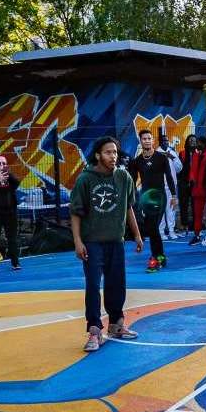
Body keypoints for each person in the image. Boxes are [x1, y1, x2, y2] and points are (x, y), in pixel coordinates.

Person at [70, 136, 144, 352]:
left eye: (115, 152)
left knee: (116, 283)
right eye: (108, 152)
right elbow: (76, 212)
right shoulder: (85, 179)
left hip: (116, 241)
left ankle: (116, 323)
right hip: (93, 242)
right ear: (97, 155)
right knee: (93, 285)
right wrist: (77, 241)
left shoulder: (123, 177)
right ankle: (94, 330)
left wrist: (137, 235)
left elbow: (128, 207)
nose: (113, 156)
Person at [125, 129, 173, 272]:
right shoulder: (137, 161)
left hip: (160, 197)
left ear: (153, 141)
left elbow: (169, 177)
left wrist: (175, 196)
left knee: (152, 228)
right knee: (152, 229)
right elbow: (132, 181)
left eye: (149, 138)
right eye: (144, 138)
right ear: (140, 141)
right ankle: (161, 256)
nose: (146, 140)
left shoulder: (162, 158)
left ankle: (154, 258)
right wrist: (129, 195)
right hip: (146, 198)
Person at [185, 135, 206, 242]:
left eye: (199, 142)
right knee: (197, 213)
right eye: (196, 142)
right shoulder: (196, 154)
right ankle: (197, 235)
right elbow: (193, 169)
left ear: (204, 143)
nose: (197, 144)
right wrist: (192, 179)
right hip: (198, 189)